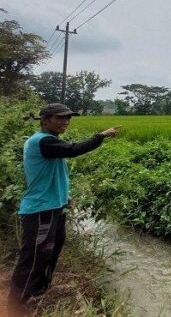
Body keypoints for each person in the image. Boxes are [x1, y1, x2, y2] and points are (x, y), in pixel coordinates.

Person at [8, 103, 120, 308]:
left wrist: (65, 196)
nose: (65, 121)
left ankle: (38, 292)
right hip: (41, 210)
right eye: (60, 118)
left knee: (51, 251)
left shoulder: (49, 142)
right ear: (45, 119)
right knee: (33, 259)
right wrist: (100, 136)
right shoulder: (43, 141)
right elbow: (74, 149)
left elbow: (53, 175)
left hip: (53, 207)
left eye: (68, 118)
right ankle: (15, 307)